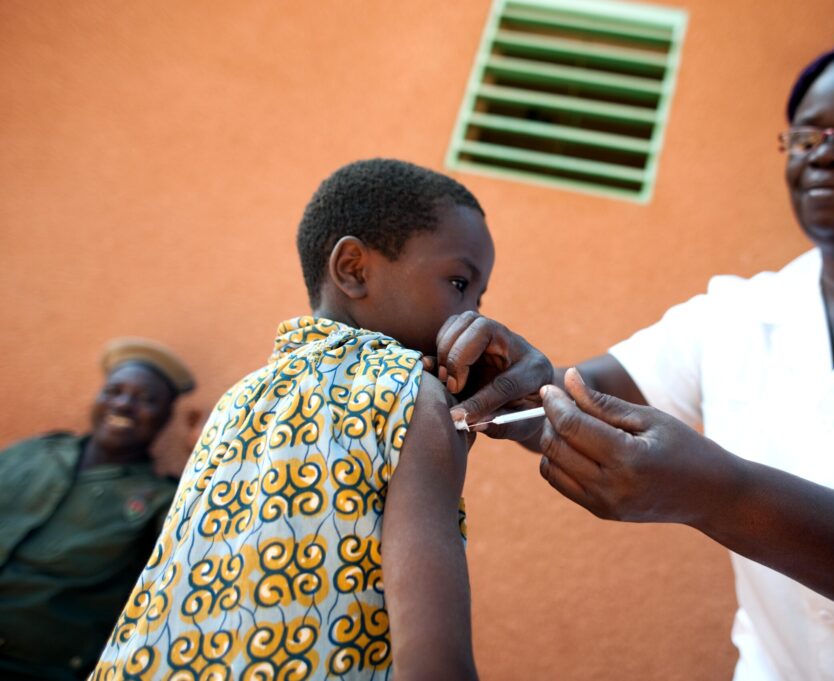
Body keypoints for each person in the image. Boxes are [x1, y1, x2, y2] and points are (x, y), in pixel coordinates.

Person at [432, 29, 834, 680]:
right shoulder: (735, 314)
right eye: (805, 137)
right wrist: (502, 376)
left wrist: (722, 494)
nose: (824, 155)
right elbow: (563, 403)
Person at [91, 159, 492, 681]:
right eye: (459, 283)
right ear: (352, 268)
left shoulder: (238, 398)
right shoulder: (413, 394)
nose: (475, 317)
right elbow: (435, 660)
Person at [0, 337, 195, 681]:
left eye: (146, 399)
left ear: (165, 417)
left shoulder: (160, 502)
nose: (123, 404)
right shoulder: (31, 453)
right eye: (114, 391)